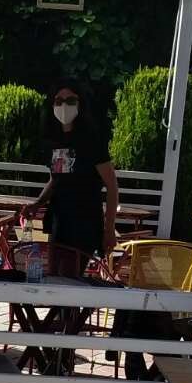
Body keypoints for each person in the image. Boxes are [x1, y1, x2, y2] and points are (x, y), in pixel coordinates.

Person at [31, 79, 118, 271]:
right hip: (59, 221)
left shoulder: (92, 141)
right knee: (54, 276)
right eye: (59, 101)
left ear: (80, 104)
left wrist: (109, 228)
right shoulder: (53, 141)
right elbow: (56, 178)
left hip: (84, 223)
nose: (64, 106)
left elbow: (112, 186)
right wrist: (37, 203)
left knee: (71, 278)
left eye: (70, 101)